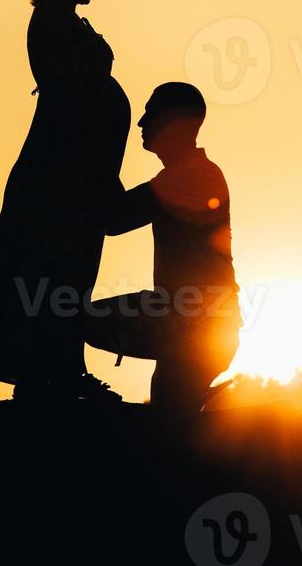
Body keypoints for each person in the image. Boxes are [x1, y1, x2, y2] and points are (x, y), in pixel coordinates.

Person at [0, 0, 131, 402]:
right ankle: (52, 376)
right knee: (51, 274)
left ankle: (63, 371)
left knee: (70, 276)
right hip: (56, 180)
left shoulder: (65, 21)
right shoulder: (51, 22)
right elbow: (72, 96)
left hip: (77, 178)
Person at [86, 82, 241, 413]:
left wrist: (98, 152)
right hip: (200, 324)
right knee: (168, 417)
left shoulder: (187, 177)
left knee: (77, 319)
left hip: (192, 324)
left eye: (149, 113)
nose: (141, 123)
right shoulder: (190, 174)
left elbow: (113, 219)